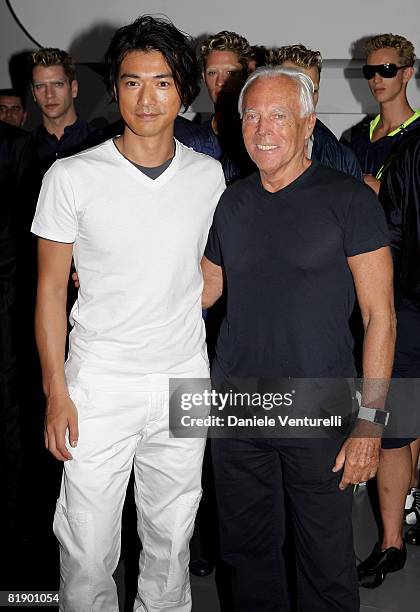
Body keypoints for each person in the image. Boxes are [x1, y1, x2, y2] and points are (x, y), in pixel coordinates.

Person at [31, 15, 225, 612]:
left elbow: (213, 274)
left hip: (183, 379)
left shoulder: (209, 175)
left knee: (172, 536)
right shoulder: (71, 176)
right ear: (114, 88)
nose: (147, 97)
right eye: (133, 82)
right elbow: (47, 295)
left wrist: (173, 296)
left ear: (182, 90)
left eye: (162, 82)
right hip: (99, 383)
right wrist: (56, 392)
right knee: (87, 546)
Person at [201, 66, 395, 611]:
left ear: (308, 122)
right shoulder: (232, 202)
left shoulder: (350, 200)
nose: (264, 129)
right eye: (252, 116)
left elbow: (381, 318)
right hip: (237, 405)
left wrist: (371, 424)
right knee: (246, 556)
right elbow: (203, 291)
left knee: (325, 564)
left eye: (279, 115)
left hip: (318, 407)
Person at [356, 121, 420, 586]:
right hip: (410, 303)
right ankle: (392, 541)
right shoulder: (412, 151)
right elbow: (394, 228)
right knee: (397, 426)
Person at [270, 44, 362, 179]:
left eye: (313, 91)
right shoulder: (245, 150)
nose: (307, 99)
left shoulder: (341, 157)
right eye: (298, 89)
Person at [347, 33, 419, 194]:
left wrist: (384, 193)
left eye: (386, 70)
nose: (376, 79)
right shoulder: (358, 135)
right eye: (370, 71)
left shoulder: (416, 137)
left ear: (407, 74)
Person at [30, 48, 98, 174]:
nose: (49, 94)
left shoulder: (99, 144)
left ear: (74, 89)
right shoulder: (19, 151)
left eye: (58, 84)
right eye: (40, 86)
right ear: (33, 93)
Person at [199, 30, 255, 184]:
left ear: (246, 74)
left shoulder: (261, 138)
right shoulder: (190, 141)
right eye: (212, 73)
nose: (220, 82)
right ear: (203, 77)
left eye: (230, 72)